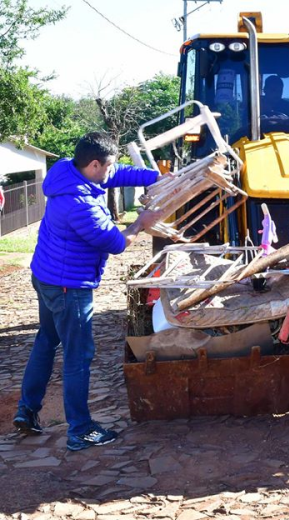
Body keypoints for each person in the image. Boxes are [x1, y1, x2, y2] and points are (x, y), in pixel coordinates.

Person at [14, 132, 162, 451]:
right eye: (106, 167)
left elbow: (119, 172)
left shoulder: (66, 170)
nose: (111, 172)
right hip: (69, 287)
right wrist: (141, 223)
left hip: (46, 276)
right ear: (94, 165)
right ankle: (79, 429)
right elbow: (117, 243)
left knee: (46, 340)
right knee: (78, 356)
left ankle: (26, 410)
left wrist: (158, 176)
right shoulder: (80, 205)